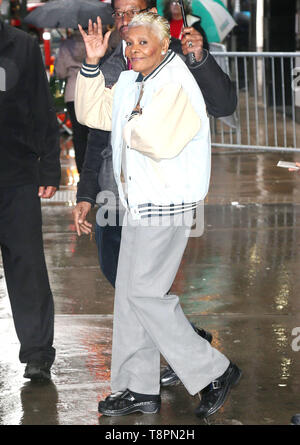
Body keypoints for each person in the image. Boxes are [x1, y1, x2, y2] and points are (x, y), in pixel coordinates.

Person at [75, 12, 241, 418]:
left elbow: (157, 139)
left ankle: (214, 370)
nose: (133, 50)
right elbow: (94, 114)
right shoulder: (134, 80)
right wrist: (93, 65)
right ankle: (137, 388)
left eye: (142, 43)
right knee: (130, 300)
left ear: (164, 45)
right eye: (129, 43)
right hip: (139, 203)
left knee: (146, 296)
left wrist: (127, 118)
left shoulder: (177, 80)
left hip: (166, 205)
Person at [0, 1, 61, 381]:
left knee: (27, 266)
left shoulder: (21, 46)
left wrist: (50, 166)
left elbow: (42, 107)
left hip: (17, 175)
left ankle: (38, 352)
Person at [55, 30, 90, 174]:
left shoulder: (65, 45)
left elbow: (60, 72)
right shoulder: (94, 42)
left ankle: (81, 169)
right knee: (94, 133)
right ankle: (93, 169)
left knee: (78, 134)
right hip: (92, 91)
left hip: (73, 93)